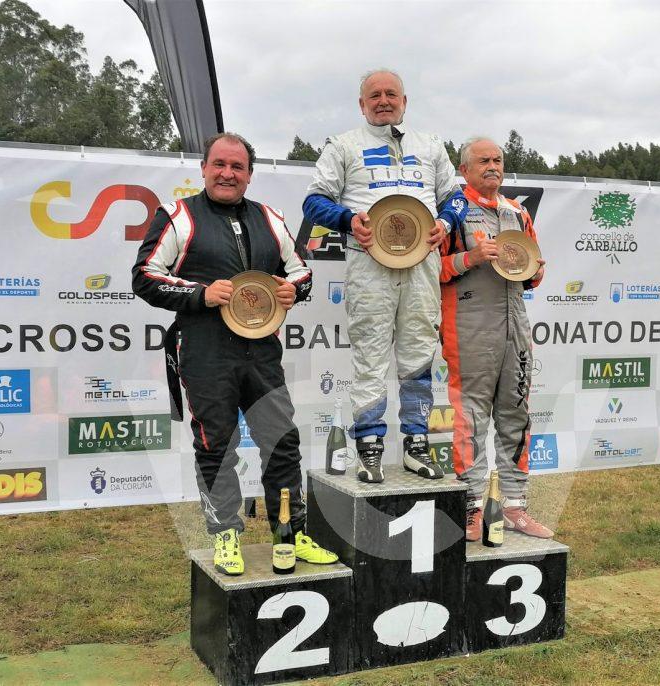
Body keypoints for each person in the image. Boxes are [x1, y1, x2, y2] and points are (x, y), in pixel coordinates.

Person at [132, 132, 338, 575]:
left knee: (281, 443)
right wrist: (200, 294)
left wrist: (291, 289)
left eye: (238, 167)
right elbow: (145, 276)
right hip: (205, 350)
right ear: (204, 168)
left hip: (261, 350)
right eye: (220, 164)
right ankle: (225, 534)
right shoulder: (178, 215)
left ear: (249, 175)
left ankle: (290, 532)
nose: (228, 173)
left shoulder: (270, 217)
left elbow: (302, 273)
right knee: (216, 445)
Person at [303, 69, 468, 483]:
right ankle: (370, 450)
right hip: (369, 264)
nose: (383, 101)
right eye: (373, 95)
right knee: (370, 360)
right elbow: (313, 202)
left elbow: (457, 197)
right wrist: (346, 219)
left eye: (390, 94)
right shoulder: (343, 145)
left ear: (404, 101)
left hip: (422, 264)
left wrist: (446, 223)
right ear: (362, 104)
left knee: (417, 358)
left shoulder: (430, 145)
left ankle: (417, 446)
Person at [438, 137, 554, 540]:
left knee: (517, 414)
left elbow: (534, 274)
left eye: (498, 160)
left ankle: (515, 506)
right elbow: (427, 270)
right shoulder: (451, 211)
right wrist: (470, 257)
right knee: (470, 417)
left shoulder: (517, 212)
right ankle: (470, 507)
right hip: (468, 325)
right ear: (464, 170)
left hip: (515, 324)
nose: (492, 166)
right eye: (483, 160)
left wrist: (536, 269)